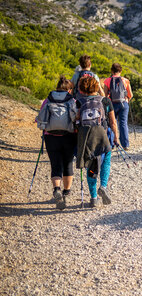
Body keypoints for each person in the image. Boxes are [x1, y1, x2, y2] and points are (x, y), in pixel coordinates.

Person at [75, 77, 119, 208]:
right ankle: (103, 186)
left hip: (86, 139)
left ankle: (93, 198)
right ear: (97, 87)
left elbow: (75, 121)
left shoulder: (77, 102)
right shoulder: (105, 100)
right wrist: (116, 137)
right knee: (106, 159)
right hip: (102, 137)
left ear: (81, 89)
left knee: (91, 166)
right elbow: (113, 122)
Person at [35, 76, 77, 210]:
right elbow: (76, 117)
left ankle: (57, 189)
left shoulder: (48, 100)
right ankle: (66, 192)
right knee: (68, 163)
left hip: (50, 137)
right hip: (69, 136)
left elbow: (40, 119)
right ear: (69, 89)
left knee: (55, 164)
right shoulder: (72, 100)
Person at [103, 63, 133, 149]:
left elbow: (105, 96)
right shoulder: (125, 80)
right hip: (123, 104)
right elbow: (130, 94)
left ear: (112, 71)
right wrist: (127, 100)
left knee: (112, 123)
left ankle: (111, 144)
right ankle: (125, 145)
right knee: (123, 123)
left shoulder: (107, 81)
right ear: (120, 71)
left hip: (112, 104)